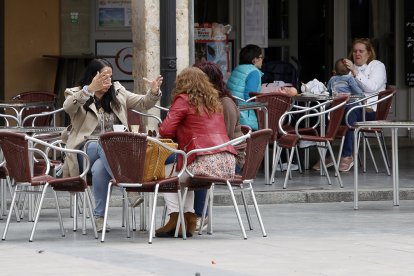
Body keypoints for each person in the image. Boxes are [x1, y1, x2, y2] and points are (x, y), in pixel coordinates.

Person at [62, 58, 163, 232]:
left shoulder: (118, 92)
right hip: (84, 150)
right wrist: (89, 90)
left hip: (111, 153)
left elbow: (143, 103)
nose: (108, 81)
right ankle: (129, 187)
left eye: (110, 76)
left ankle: (99, 217)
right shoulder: (76, 93)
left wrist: (153, 92)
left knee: (100, 168)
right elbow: (67, 108)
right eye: (103, 77)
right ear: (93, 77)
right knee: (102, 143)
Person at [156, 67, 237, 238]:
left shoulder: (183, 100)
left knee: (165, 174)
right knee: (181, 173)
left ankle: (175, 218)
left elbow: (165, 131)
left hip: (203, 162)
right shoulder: (214, 101)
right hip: (227, 163)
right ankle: (189, 218)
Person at [192, 61, 245, 230]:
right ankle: (181, 215)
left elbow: (225, 140)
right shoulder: (204, 102)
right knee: (176, 162)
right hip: (215, 153)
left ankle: (200, 214)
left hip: (232, 158)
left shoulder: (225, 103)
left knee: (200, 166)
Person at [339, 38, 387, 172]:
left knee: (350, 109)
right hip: (351, 108)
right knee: (328, 110)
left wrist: (355, 72)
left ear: (369, 53)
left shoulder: (377, 65)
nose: (357, 54)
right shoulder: (347, 69)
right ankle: (327, 153)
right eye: (354, 51)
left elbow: (371, 87)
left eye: (361, 51)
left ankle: (347, 155)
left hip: (371, 112)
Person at [226, 44, 264, 130]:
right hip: (245, 115)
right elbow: (249, 96)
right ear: (254, 59)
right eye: (261, 57)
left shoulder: (238, 69)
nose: (262, 60)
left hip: (233, 110)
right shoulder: (254, 72)